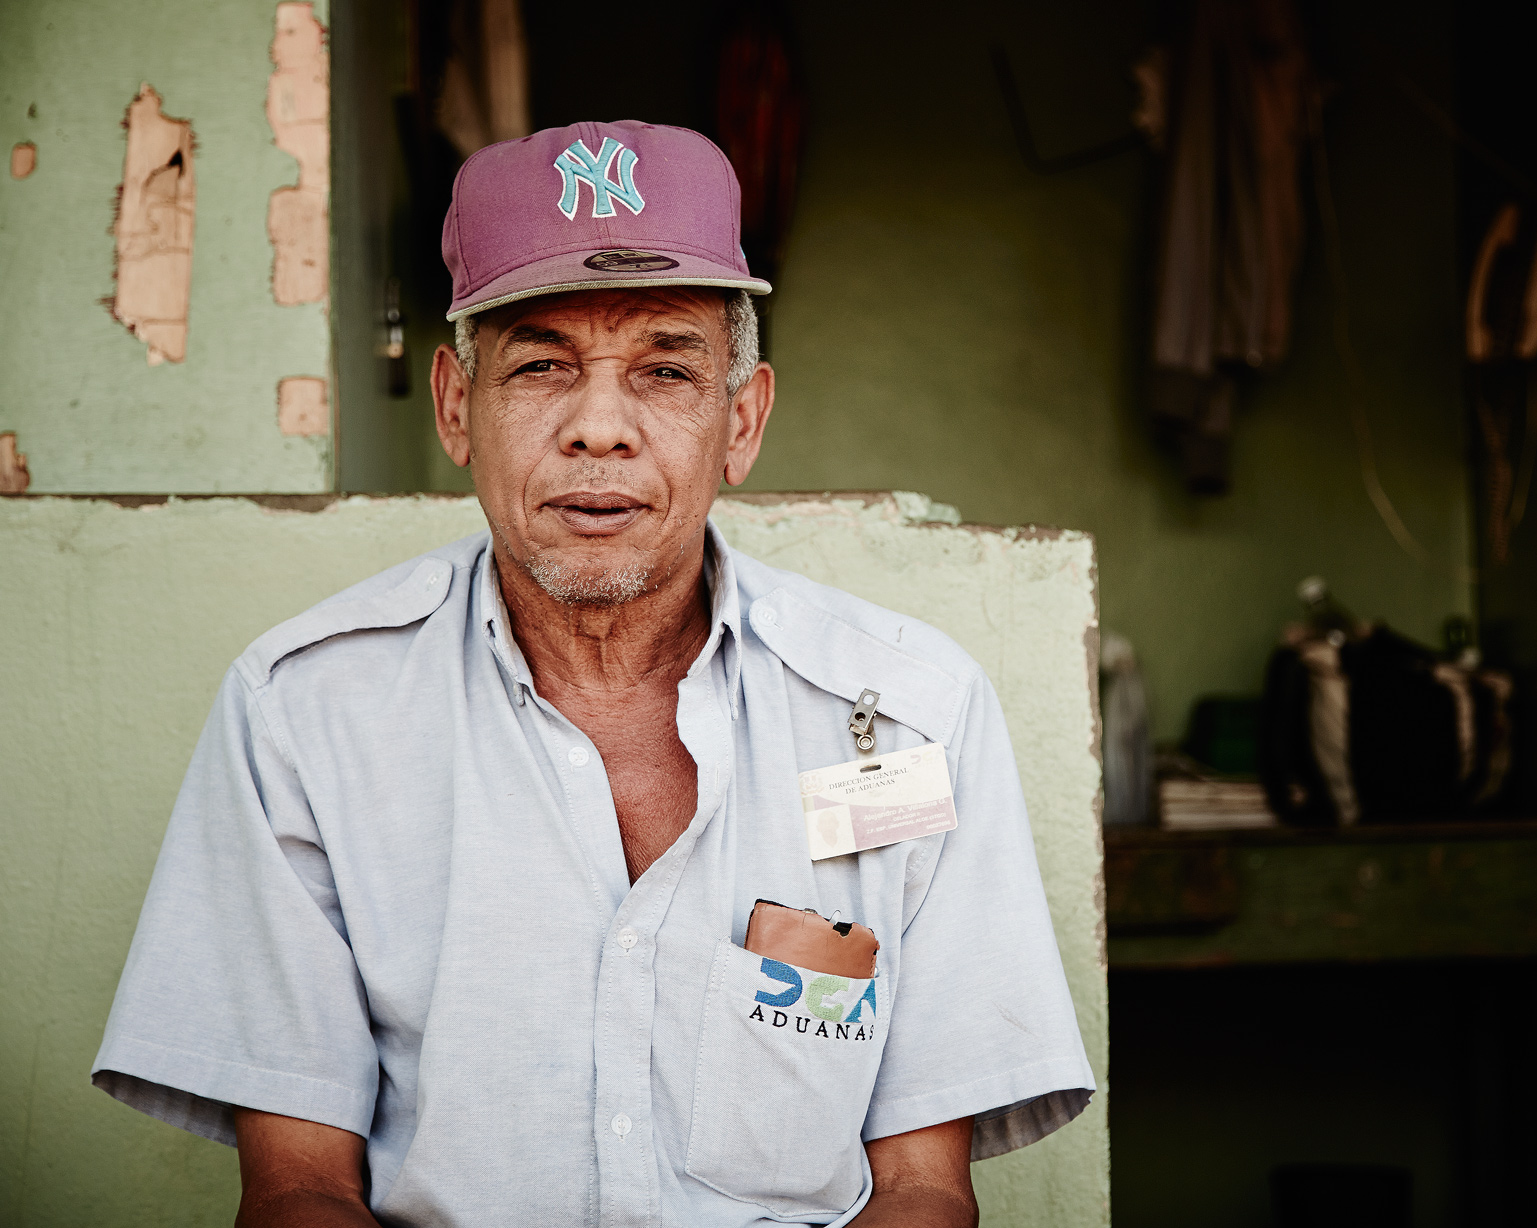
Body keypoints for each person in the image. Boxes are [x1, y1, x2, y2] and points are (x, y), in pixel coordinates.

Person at [92, 120, 1094, 1228]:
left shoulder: (911, 717)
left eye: (666, 369)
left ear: (742, 419)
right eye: (540, 365)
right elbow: (297, 1190)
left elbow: (921, 1190)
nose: (599, 430)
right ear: (457, 407)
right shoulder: (306, 713)